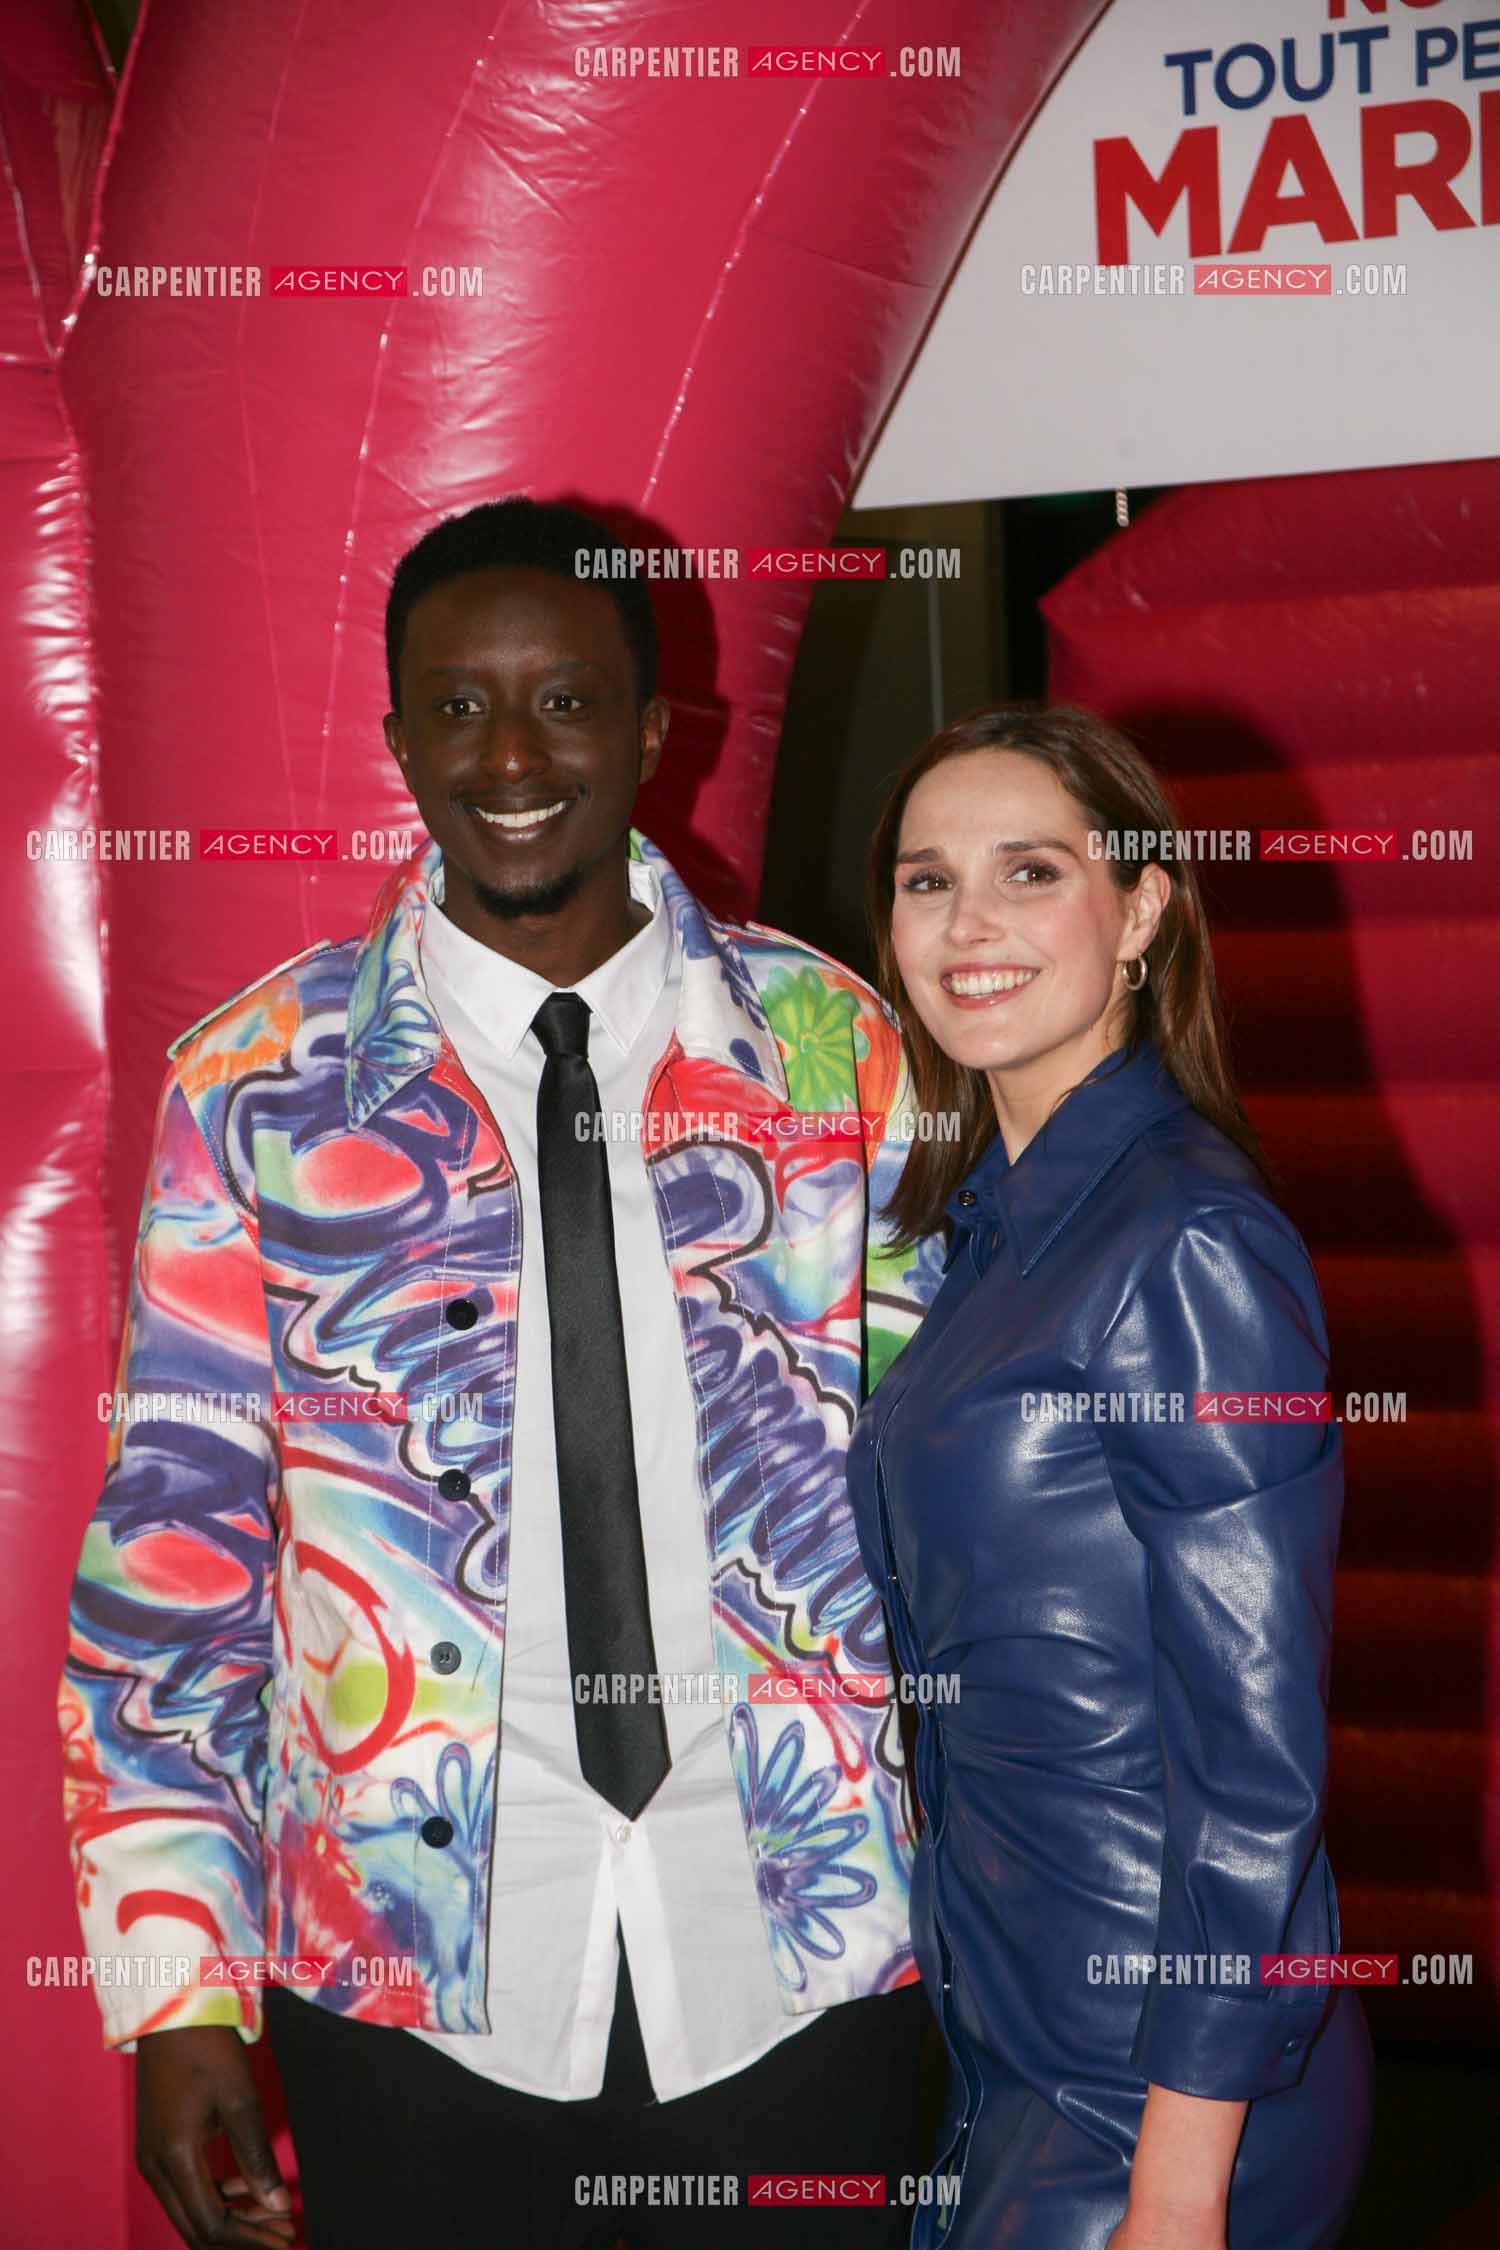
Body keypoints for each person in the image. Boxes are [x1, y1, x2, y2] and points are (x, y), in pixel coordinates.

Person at [58, 497, 943, 2250]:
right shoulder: (250, 1089)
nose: (514, 754)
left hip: (807, 1951)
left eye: (566, 701)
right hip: (409, 1983)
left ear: (651, 727)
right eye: (458, 707)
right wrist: (180, 1994)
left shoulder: (837, 1050)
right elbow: (175, 1565)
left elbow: (953, 1497)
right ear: (396, 738)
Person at [846, 703, 1374, 2250]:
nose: (970, 925)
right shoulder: (996, 1228)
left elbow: (1256, 1752)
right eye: (928, 880)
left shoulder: (1185, 1241)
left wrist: (1180, 2175)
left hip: (1160, 2084)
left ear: (1142, 907)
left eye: (1030, 871)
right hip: (1019, 2035)